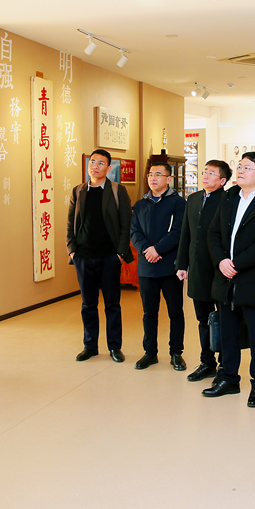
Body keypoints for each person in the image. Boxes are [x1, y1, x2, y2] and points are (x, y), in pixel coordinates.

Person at [203, 151, 255, 408]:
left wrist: (236, 264)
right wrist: (221, 261)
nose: (240, 171)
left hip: (253, 278)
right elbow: (213, 233)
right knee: (227, 332)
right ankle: (229, 378)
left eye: (246, 168)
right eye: (239, 167)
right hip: (225, 277)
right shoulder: (229, 197)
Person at [67, 149, 135, 363]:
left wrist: (120, 254)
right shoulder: (79, 191)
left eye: (100, 163)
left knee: (112, 304)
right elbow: (70, 222)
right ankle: (90, 346)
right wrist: (72, 250)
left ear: (108, 168)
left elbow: (126, 224)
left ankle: (115, 347)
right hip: (83, 256)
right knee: (88, 304)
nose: (95, 166)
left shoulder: (117, 191)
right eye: (92, 162)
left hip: (109, 257)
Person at [175, 159, 231, 382]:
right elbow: (186, 234)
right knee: (203, 318)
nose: (205, 176)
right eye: (204, 171)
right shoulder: (193, 199)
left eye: (211, 173)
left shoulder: (228, 200)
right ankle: (207, 362)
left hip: (219, 269)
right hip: (197, 268)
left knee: (225, 319)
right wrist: (182, 264)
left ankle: (225, 365)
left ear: (223, 181)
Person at [129, 163, 187, 371]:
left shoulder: (178, 203)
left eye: (158, 174)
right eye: (150, 174)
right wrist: (147, 250)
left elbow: (179, 232)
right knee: (149, 313)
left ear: (169, 179)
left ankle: (176, 353)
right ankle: (150, 353)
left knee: (175, 312)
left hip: (170, 266)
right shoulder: (140, 204)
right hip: (146, 266)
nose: (153, 178)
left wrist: (158, 249)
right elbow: (134, 232)